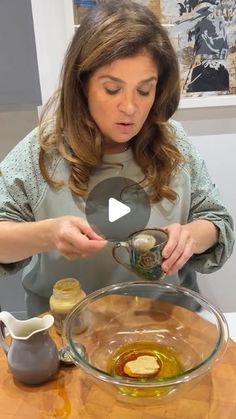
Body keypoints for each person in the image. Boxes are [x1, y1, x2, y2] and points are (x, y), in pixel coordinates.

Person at [0, 0, 234, 317]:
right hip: (70, 330)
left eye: (144, 90)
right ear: (82, 85)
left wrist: (192, 237)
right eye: (112, 89)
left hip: (167, 322)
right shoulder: (42, 150)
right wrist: (49, 234)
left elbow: (217, 222)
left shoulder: (173, 142)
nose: (130, 107)